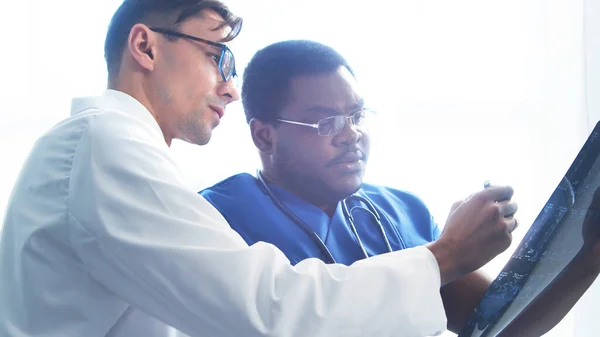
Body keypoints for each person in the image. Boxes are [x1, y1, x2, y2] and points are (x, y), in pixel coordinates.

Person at [0, 1, 524, 336]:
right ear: (146, 46)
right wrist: (444, 255)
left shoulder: (110, 149)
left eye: (356, 115)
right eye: (218, 57)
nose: (230, 86)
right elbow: (268, 311)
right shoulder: (106, 143)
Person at [200, 40, 600, 336]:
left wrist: (587, 258)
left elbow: (494, 326)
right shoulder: (215, 220)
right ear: (264, 137)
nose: (352, 135)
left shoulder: (401, 210)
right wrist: (451, 250)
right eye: (327, 123)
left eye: (356, 115)